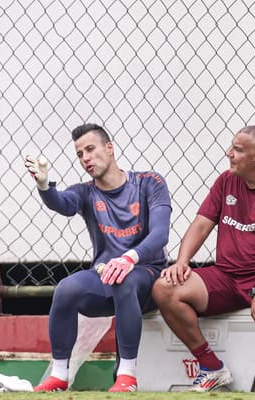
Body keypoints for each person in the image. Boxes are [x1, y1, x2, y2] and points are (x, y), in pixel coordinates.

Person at [152, 125, 255, 393]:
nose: (229, 154)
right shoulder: (225, 181)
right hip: (226, 276)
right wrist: (181, 261)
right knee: (165, 288)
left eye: (237, 149)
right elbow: (201, 224)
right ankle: (211, 367)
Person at [24, 123, 172, 392]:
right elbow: (62, 203)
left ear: (110, 148)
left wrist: (129, 258)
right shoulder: (85, 192)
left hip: (146, 277)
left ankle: (127, 375)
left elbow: (160, 234)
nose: (86, 159)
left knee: (123, 281)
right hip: (107, 276)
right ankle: (59, 375)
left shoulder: (150, 183)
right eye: (80, 154)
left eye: (90, 149)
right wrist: (45, 186)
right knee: (66, 290)